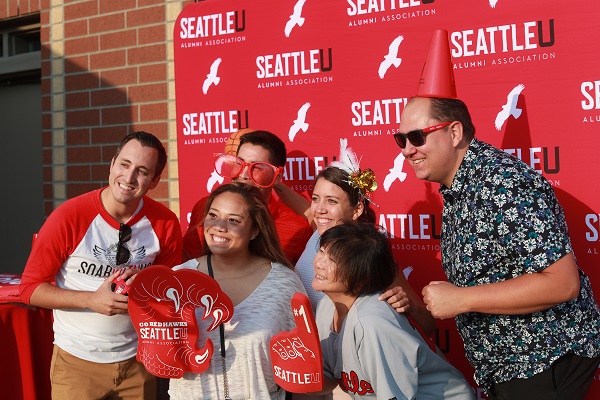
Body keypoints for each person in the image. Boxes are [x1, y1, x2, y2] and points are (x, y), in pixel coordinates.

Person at [395, 95, 600, 399]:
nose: (408, 150)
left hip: (542, 362)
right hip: (509, 369)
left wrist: (461, 299)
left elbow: (563, 283)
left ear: (454, 133)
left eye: (417, 137)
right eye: (401, 139)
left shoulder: (504, 183)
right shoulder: (458, 187)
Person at [19, 131, 183, 399]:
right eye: (124, 164)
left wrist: (146, 289)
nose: (128, 178)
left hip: (138, 362)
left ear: (154, 181)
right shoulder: (69, 216)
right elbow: (29, 289)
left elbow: (169, 291)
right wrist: (90, 300)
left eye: (142, 171)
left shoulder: (165, 222)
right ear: (112, 164)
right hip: (76, 363)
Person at [169, 182, 307, 399]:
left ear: (254, 230)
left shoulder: (284, 283)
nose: (219, 226)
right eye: (213, 215)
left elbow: (302, 362)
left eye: (234, 220)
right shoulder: (176, 280)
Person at [309, 222, 474, 400]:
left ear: (361, 275)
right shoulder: (326, 306)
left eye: (333, 260)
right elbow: (328, 380)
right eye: (322, 251)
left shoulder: (372, 323)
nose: (320, 263)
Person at [293, 159, 435, 336]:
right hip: (313, 356)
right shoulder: (318, 231)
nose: (319, 209)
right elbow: (305, 209)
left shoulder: (370, 257)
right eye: (315, 198)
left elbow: (428, 325)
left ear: (357, 209)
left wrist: (409, 306)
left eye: (332, 201)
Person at [183, 129, 313, 265]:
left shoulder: (298, 228)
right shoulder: (205, 208)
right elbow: (188, 265)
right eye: (238, 163)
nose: (243, 174)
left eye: (257, 167)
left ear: (277, 176)